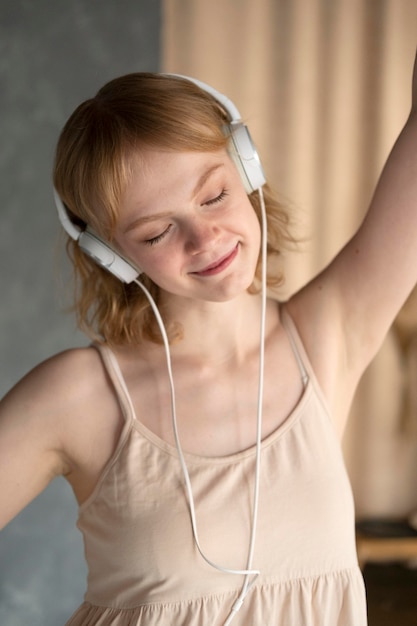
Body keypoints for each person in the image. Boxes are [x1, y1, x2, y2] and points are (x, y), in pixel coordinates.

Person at [1, 50, 417, 625]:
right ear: (112, 256)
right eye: (157, 231)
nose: (204, 239)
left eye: (214, 195)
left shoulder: (326, 333)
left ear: (247, 167)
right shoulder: (77, 395)